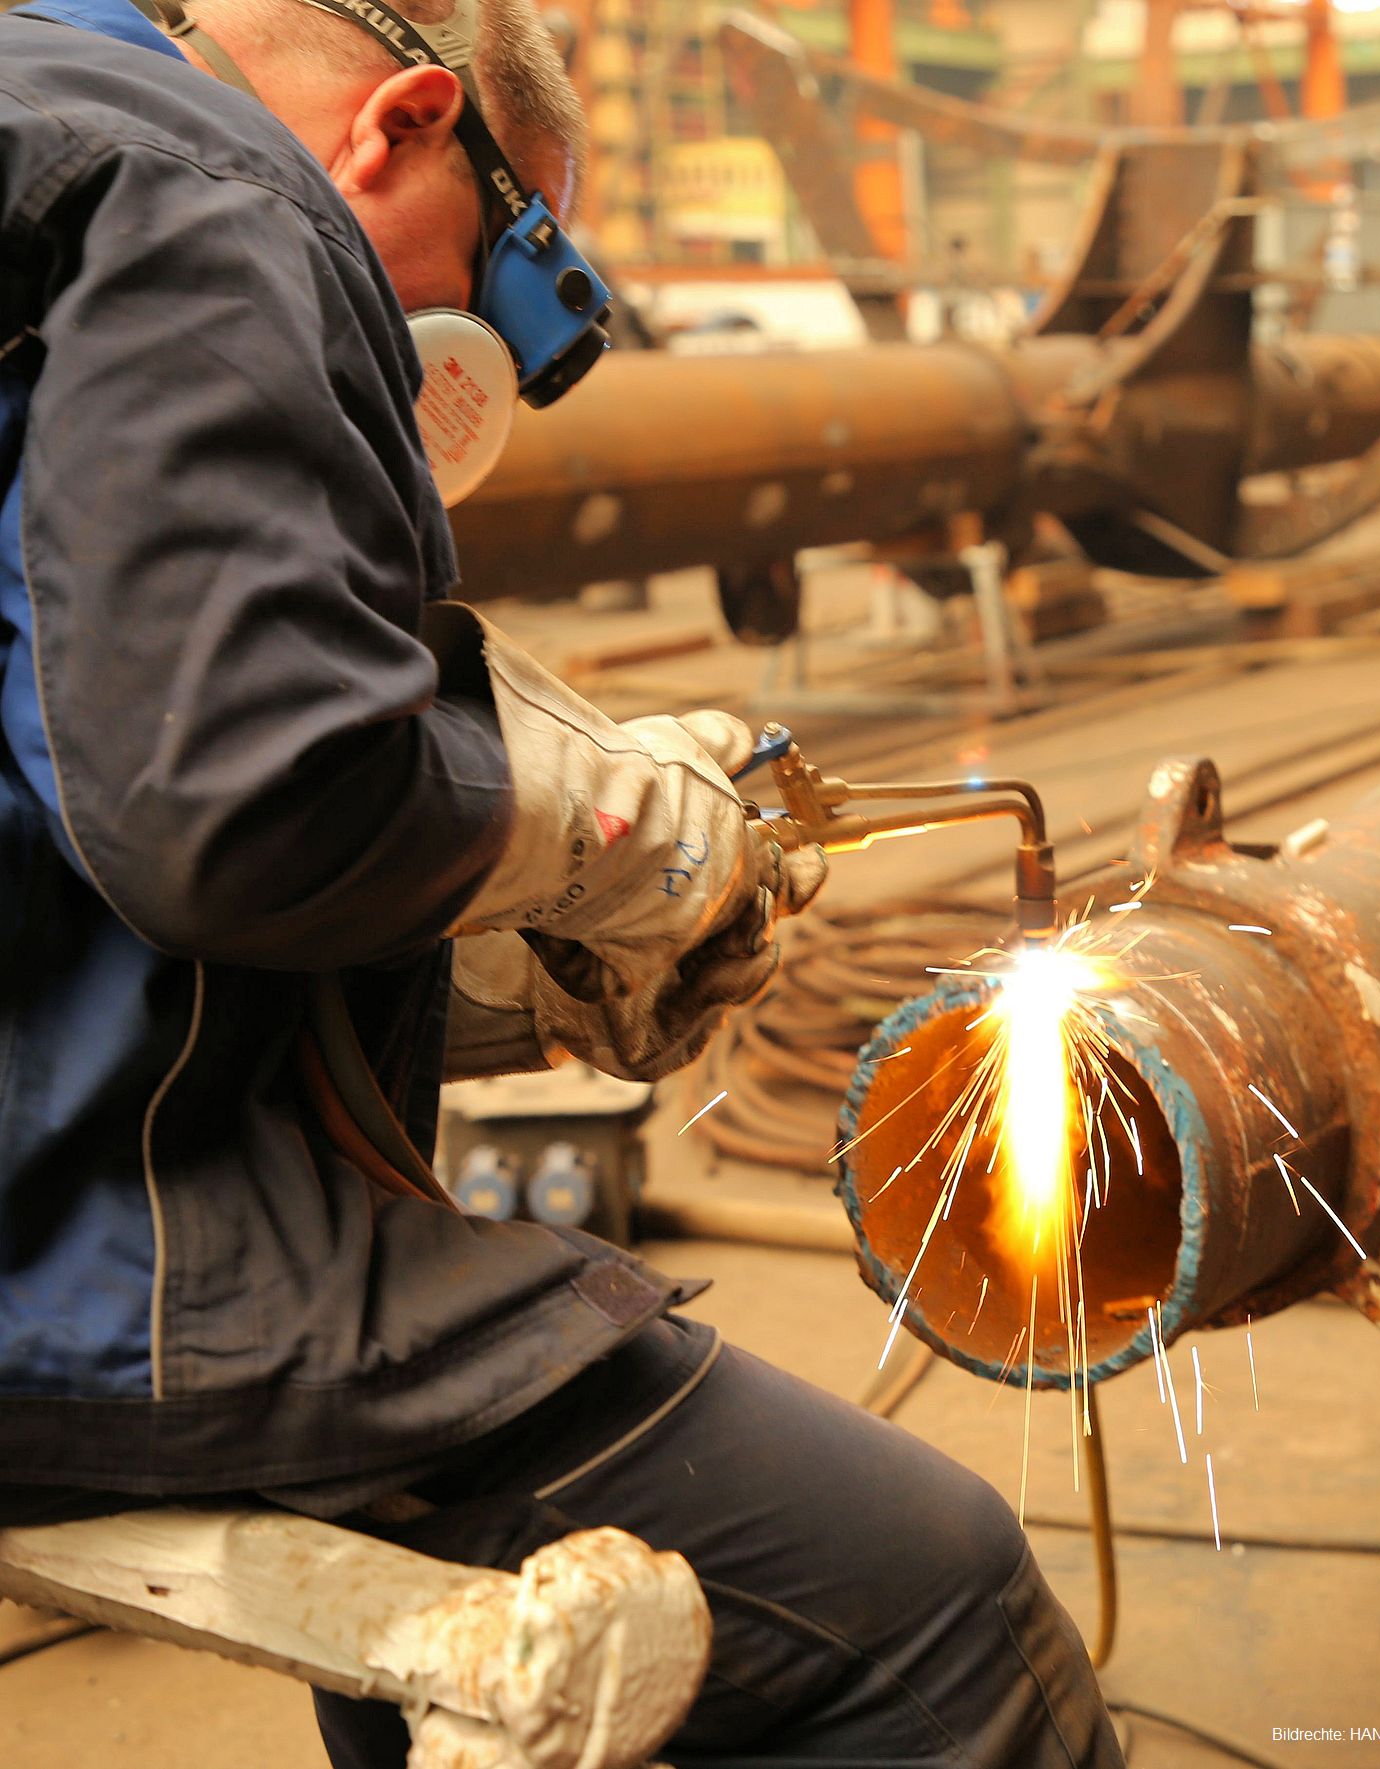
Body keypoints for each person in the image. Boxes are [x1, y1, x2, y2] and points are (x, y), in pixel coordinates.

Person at [0, 1, 1125, 1763]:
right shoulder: (202, 181)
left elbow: (75, 824)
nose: (445, 350)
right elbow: (227, 802)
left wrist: (503, 956)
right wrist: (625, 835)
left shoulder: (35, 126)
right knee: (939, 1593)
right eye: (502, 268)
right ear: (408, 123)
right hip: (64, 1288)